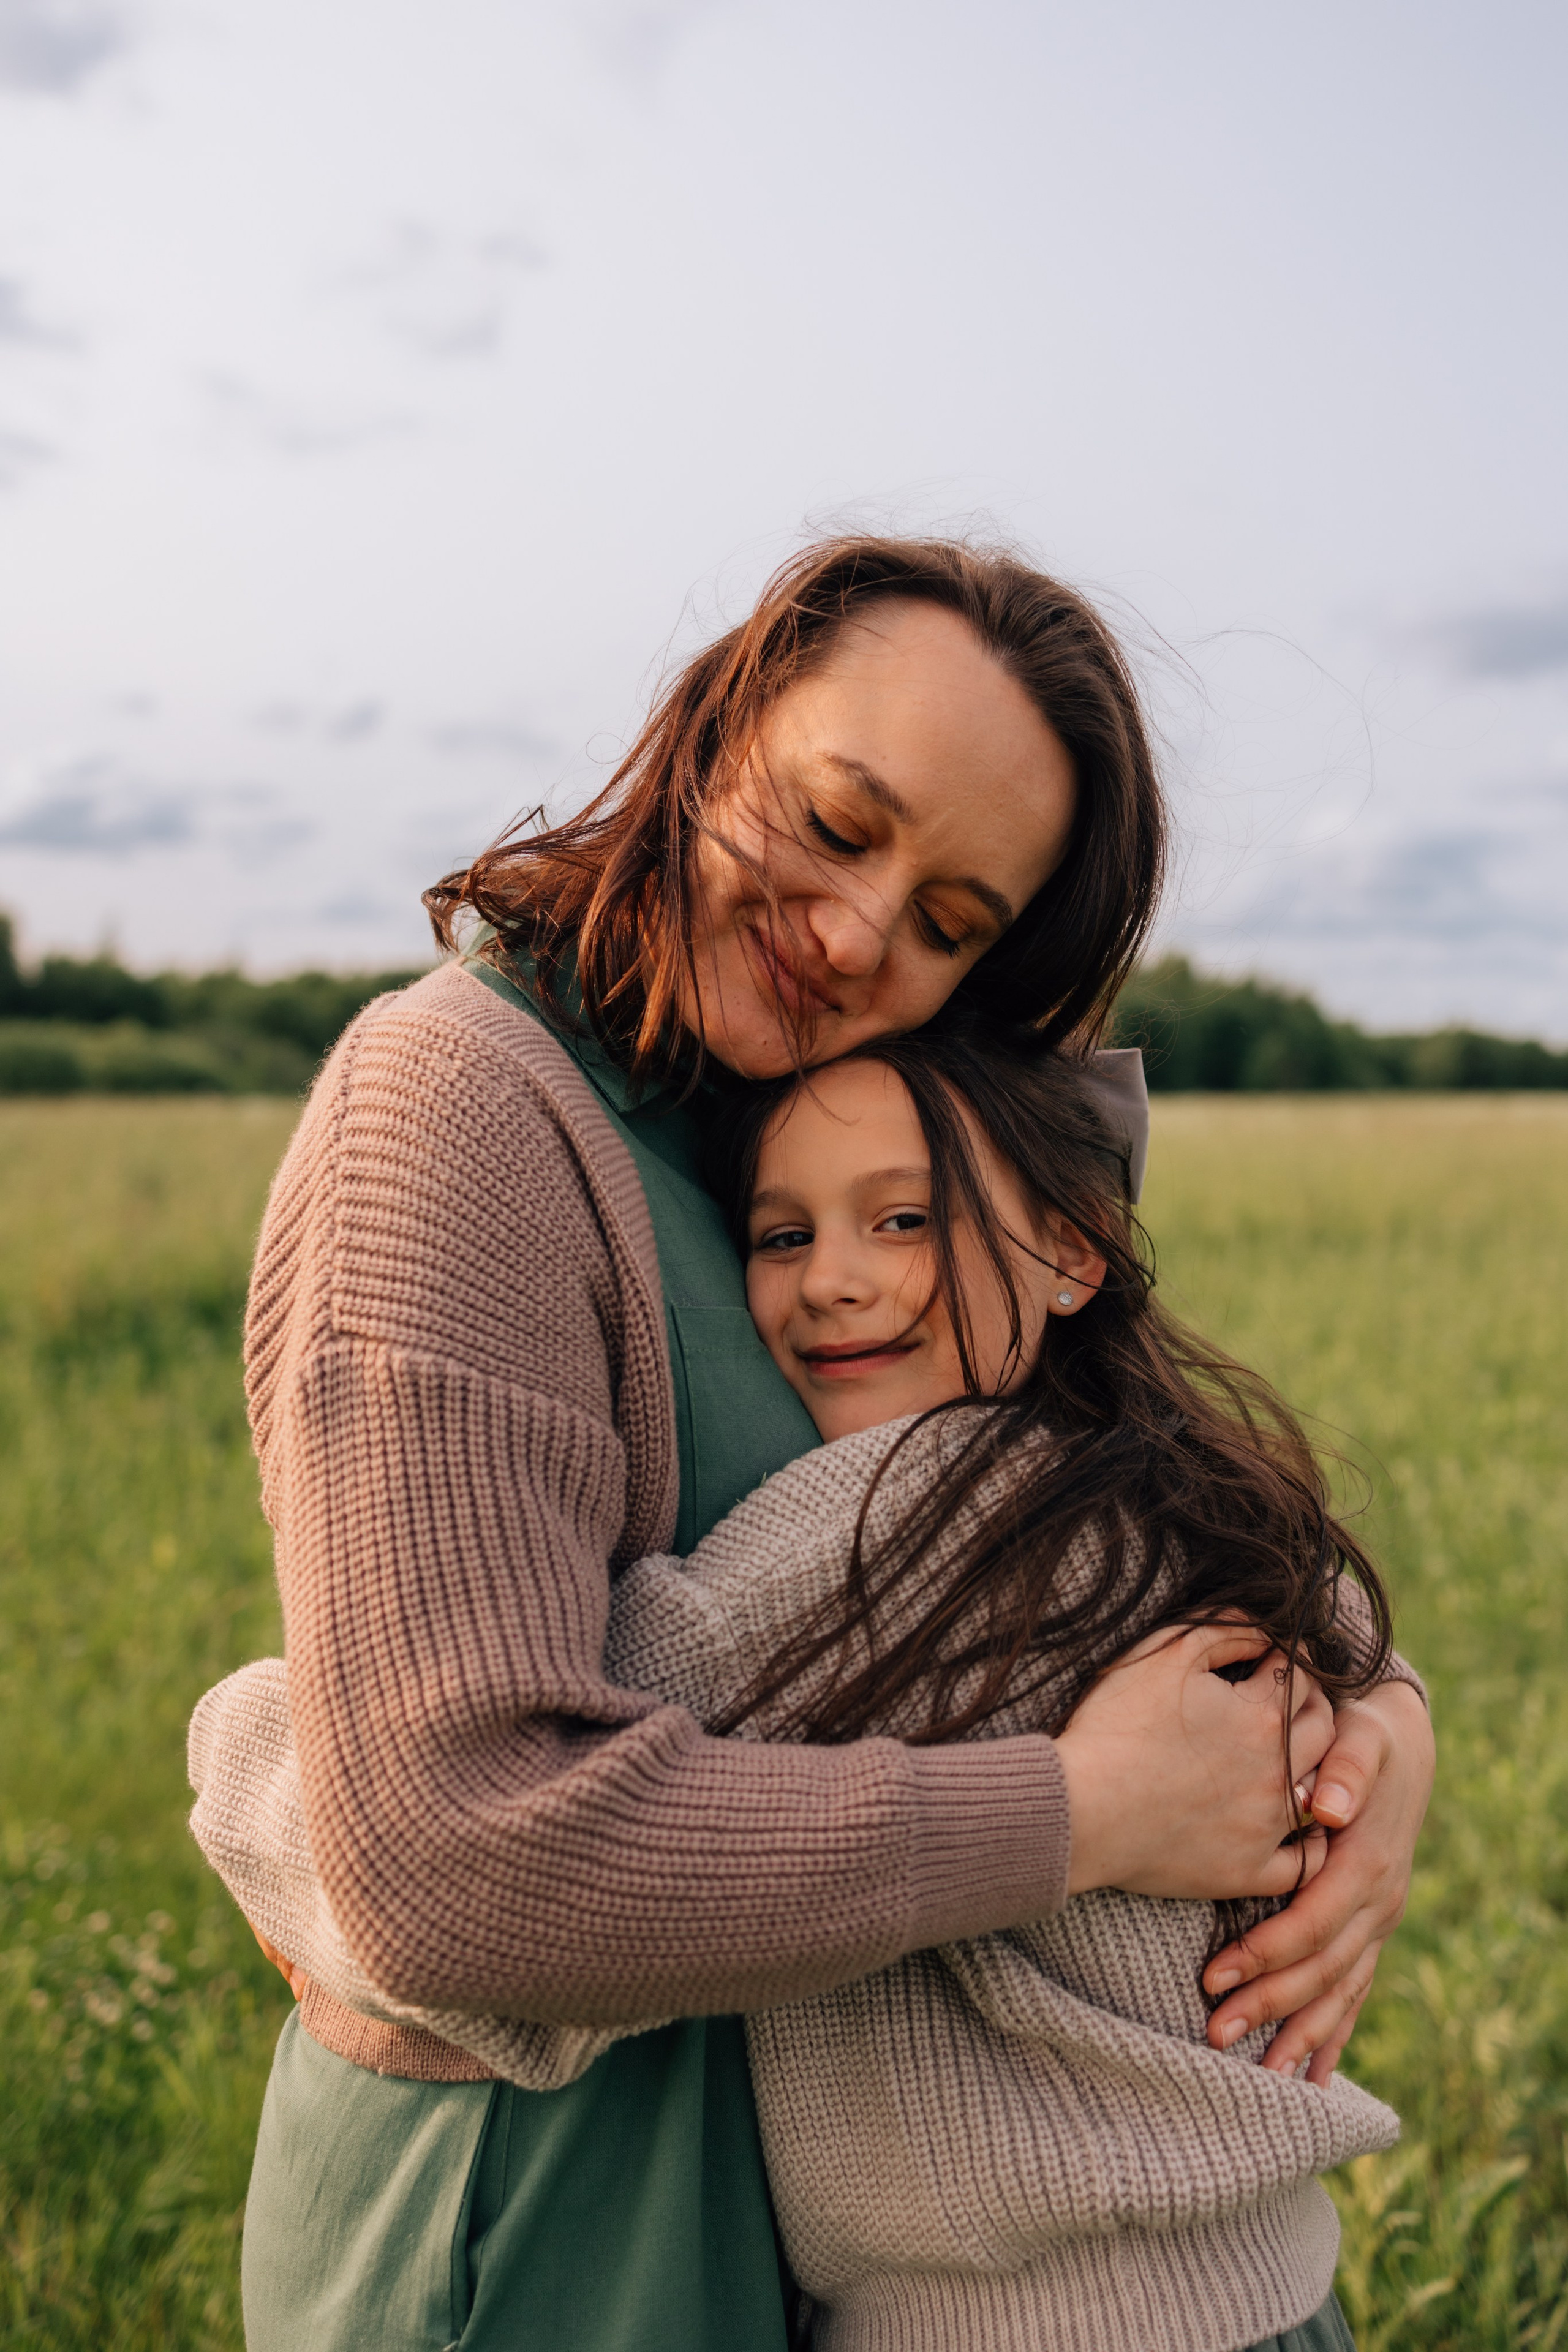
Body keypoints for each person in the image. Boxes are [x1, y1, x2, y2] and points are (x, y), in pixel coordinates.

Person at [211, 537, 1433, 2351]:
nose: (861, 935)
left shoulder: (793, 1128)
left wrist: (1369, 1723)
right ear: (722, 721)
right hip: (539, 2217)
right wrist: (1083, 1814)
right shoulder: (457, 1107)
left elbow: (1093, 1480)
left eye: (953, 923)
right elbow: (454, 1855)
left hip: (802, 2205)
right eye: (840, 822)